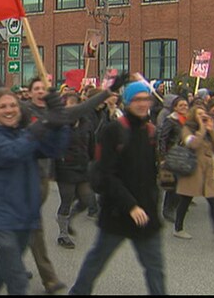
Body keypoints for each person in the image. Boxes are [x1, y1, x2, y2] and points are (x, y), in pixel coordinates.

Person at [69, 81, 166, 295]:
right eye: (137, 100)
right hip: (118, 212)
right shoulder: (114, 130)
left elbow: (150, 174)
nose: (142, 104)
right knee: (97, 260)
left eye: (146, 99)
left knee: (155, 268)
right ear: (128, 102)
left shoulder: (150, 131)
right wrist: (130, 205)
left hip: (146, 213)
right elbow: (107, 173)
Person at [0, 89, 69, 295]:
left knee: (0, 272)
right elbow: (13, 153)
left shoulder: (25, 134)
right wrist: (43, 124)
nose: (9, 110)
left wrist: (59, 122)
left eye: (13, 105)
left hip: (26, 216)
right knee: (17, 279)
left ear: (20, 109)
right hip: (0, 218)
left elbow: (54, 149)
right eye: (3, 107)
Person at [173, 105, 214, 241]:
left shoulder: (209, 130)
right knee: (185, 199)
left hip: (207, 171)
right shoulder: (187, 128)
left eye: (204, 113)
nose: (202, 116)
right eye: (199, 114)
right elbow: (193, 144)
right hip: (192, 169)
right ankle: (178, 228)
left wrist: (211, 130)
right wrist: (201, 129)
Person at [53, 93, 95, 249]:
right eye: (69, 106)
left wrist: (91, 161)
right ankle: (63, 234)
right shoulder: (59, 124)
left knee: (87, 199)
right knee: (67, 200)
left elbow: (91, 143)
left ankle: (68, 218)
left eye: (75, 106)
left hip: (82, 166)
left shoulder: (86, 123)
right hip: (65, 167)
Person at [157, 96, 189, 222]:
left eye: (186, 105)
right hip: (172, 155)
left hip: (184, 156)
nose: (184, 108)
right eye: (181, 105)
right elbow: (163, 139)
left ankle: (175, 207)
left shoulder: (187, 121)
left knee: (181, 184)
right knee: (172, 185)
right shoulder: (170, 121)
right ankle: (168, 209)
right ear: (174, 107)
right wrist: (162, 157)